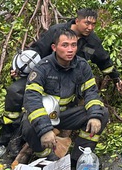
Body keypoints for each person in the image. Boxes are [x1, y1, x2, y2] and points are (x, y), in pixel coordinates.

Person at [0, 8, 122, 149]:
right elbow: (36, 51)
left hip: (70, 82)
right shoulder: (56, 32)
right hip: (46, 76)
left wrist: (116, 78)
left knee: (97, 110)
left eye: (93, 24)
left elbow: (103, 61)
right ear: (77, 21)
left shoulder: (92, 42)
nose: (90, 27)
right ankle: (9, 134)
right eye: (87, 23)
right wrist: (20, 68)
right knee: (16, 91)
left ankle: (79, 154)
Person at [21, 28, 109, 160]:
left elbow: (91, 92)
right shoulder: (42, 68)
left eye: (73, 45)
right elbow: (32, 99)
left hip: (65, 115)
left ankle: (80, 157)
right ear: (54, 47)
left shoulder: (82, 66)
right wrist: (44, 129)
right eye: (65, 45)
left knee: (103, 113)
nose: (70, 50)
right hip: (45, 115)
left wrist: (95, 115)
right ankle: (48, 157)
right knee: (28, 125)